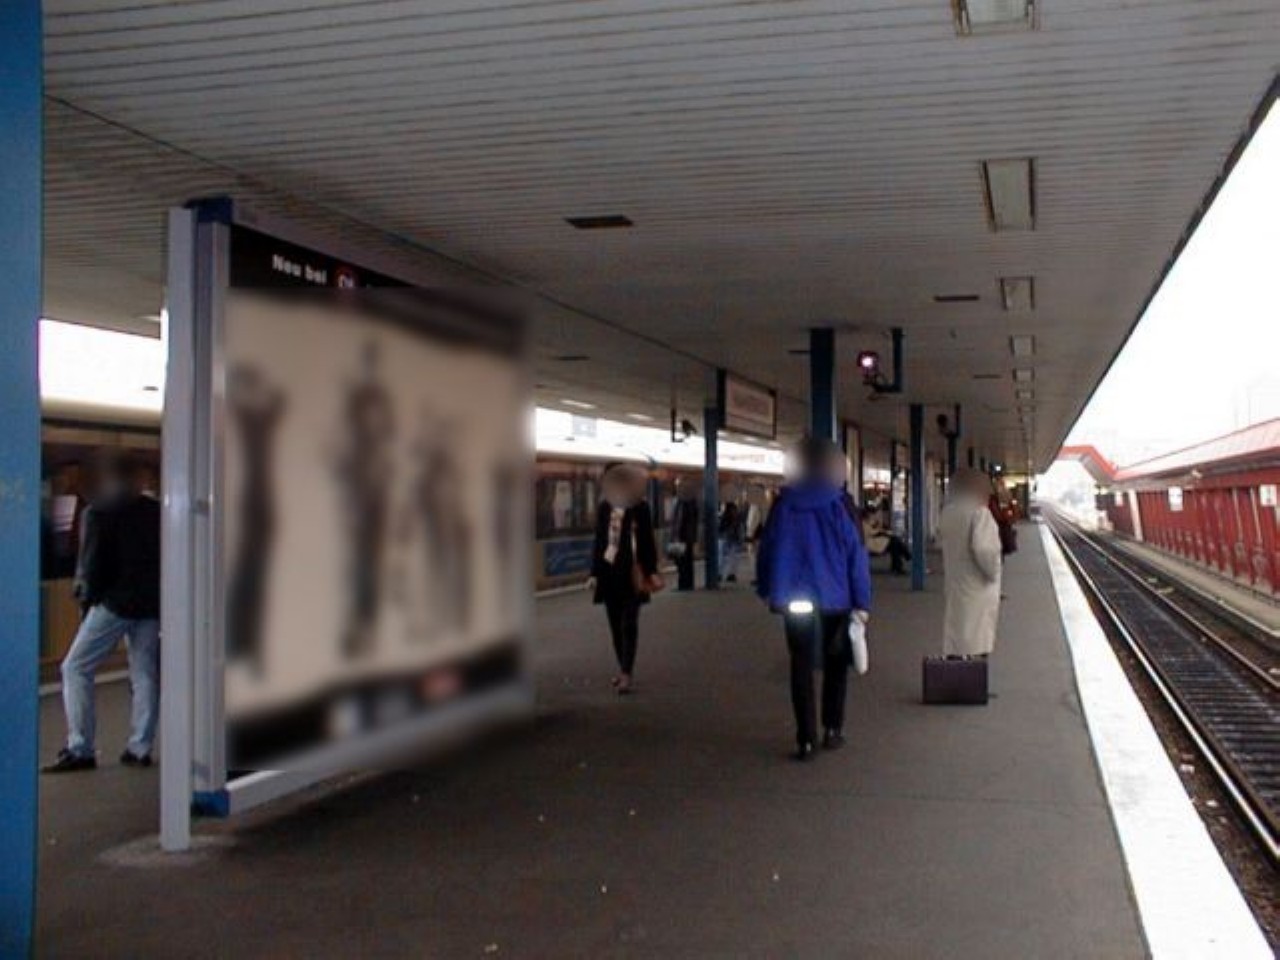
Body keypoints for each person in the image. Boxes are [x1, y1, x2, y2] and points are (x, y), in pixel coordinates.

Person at [44, 450, 161, 773]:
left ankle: (80, 747)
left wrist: (87, 602)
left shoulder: (99, 511)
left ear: (110, 476)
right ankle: (140, 746)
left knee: (75, 667)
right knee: (144, 672)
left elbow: (92, 565)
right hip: (151, 604)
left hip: (114, 603)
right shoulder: (157, 512)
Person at [756, 438, 872, 761]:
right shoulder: (842, 505)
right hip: (836, 597)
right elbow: (856, 556)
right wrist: (862, 601)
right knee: (836, 662)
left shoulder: (783, 505)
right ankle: (832, 728)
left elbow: (768, 549)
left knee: (800, 662)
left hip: (794, 597)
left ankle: (806, 739)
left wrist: (766, 588)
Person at [588, 464, 661, 695]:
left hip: (632, 575)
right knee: (615, 626)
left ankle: (627, 672)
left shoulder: (640, 508)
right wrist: (594, 573)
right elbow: (600, 541)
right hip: (609, 575)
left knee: (629, 623)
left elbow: (647, 541)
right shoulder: (604, 508)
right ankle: (623, 668)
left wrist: (651, 571)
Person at [938, 468, 1002, 659]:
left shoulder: (948, 512)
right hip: (977, 586)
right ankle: (972, 675)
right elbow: (984, 549)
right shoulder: (979, 513)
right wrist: (994, 572)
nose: (988, 494)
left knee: (957, 634)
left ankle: (956, 670)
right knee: (975, 638)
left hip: (956, 581)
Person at [861, 504, 912, 575]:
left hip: (876, 542)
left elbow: (877, 530)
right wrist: (882, 532)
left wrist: (880, 528)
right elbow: (871, 532)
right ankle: (906, 558)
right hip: (871, 544)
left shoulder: (869, 521)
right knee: (894, 541)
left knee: (895, 543)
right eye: (872, 514)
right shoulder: (863, 523)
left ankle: (899, 564)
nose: (873, 516)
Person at [669, 478, 699, 591]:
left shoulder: (682, 501)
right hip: (688, 537)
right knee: (687, 562)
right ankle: (688, 584)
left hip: (681, 537)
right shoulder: (692, 501)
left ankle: (683, 584)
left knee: (681, 562)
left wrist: (675, 537)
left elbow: (679, 521)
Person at [718, 499, 746, 583]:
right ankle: (725, 574)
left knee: (730, 557)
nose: (734, 511)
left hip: (731, 539)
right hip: (729, 539)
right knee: (728, 557)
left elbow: (740, 529)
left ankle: (728, 574)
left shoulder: (736, 518)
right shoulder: (728, 518)